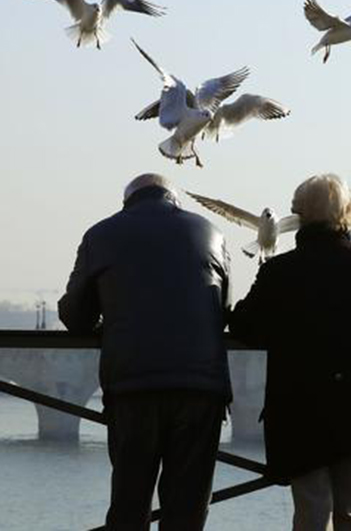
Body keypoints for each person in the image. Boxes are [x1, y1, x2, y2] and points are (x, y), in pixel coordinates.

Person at [229, 173, 351, 531]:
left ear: (298, 214)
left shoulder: (281, 271)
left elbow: (246, 326)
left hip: (301, 410)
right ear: (346, 213)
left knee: (312, 513)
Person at [58, 173, 232, 531]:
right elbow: (222, 307)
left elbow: (76, 316)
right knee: (187, 507)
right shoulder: (212, 233)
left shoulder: (101, 234)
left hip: (133, 386)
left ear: (128, 202)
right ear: (174, 200)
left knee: (129, 503)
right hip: (201, 389)